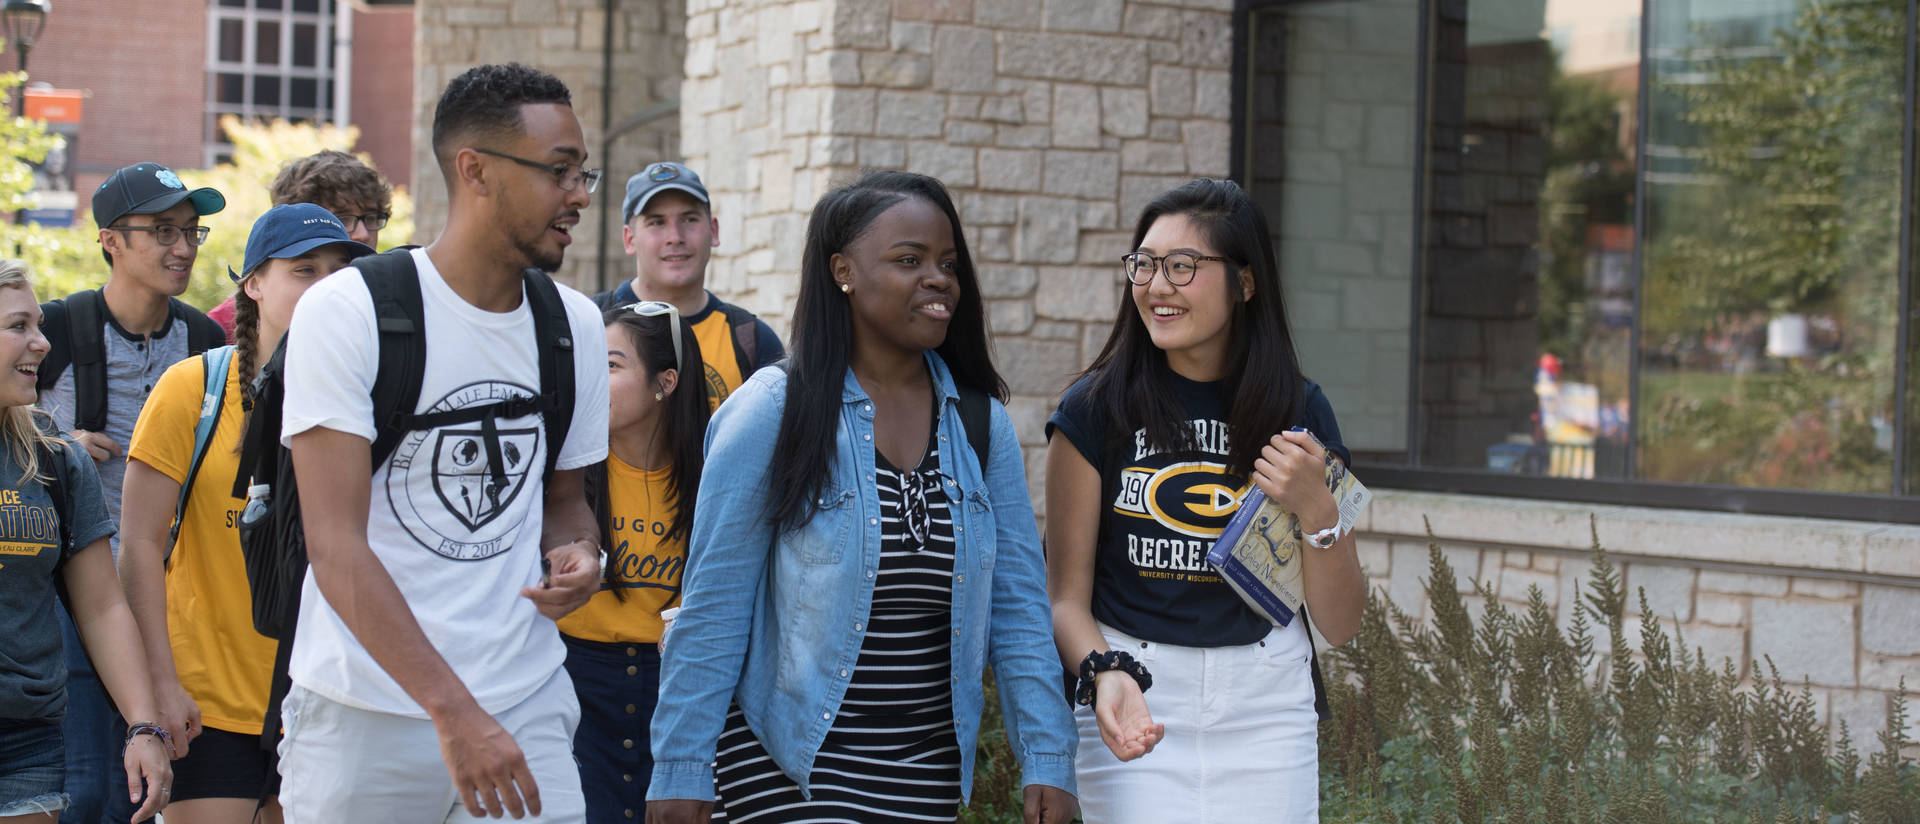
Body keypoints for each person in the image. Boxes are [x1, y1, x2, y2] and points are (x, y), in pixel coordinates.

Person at [647, 171, 1078, 824]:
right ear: (843, 271)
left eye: (947, 264)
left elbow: (1018, 606)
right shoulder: (773, 412)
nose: (939, 279)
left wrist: (1048, 755)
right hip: (787, 764)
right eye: (909, 260)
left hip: (922, 775)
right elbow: (713, 608)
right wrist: (679, 769)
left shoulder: (979, 426)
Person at [273, 63, 610, 823]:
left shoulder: (575, 327)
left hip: (524, 701)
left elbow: (565, 502)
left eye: (583, 173)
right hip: (365, 717)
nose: (580, 195)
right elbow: (335, 545)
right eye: (560, 172)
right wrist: (453, 713)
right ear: (476, 170)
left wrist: (582, 556)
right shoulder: (348, 312)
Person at [1044, 178, 1367, 823]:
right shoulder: (1094, 409)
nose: (1156, 285)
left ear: (1245, 283)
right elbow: (1064, 601)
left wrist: (1320, 512)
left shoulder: (1299, 411)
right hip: (1134, 692)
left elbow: (1341, 622)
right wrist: (1105, 671)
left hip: (1267, 702)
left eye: (1183, 266)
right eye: (1145, 263)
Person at [116, 205, 373, 824]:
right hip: (209, 707)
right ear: (253, 284)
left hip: (331, 702)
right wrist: (159, 686)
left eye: (339, 272)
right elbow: (138, 544)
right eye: (304, 270)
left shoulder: (370, 396)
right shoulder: (193, 390)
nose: (325, 286)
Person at [41, 162, 228, 824]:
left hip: (171, 595)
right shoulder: (54, 332)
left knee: (146, 792)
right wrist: (57, 443)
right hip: (73, 589)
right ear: (110, 241)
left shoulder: (207, 342)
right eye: (162, 232)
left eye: (191, 232)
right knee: (84, 787)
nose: (182, 249)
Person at [0, 259, 172, 824]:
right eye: (19, 326)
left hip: (27, 738)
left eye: (39, 325)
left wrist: (143, 725)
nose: (42, 343)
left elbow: (101, 606)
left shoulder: (52, 457)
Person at [555, 302, 709, 822]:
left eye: (612, 366)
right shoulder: (567, 469)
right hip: (575, 693)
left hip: (676, 696)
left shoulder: (713, 476)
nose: (592, 382)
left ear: (664, 382)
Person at [593, 162, 783, 409]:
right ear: (629, 239)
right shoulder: (591, 324)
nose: (675, 237)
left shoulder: (753, 341)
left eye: (689, 219)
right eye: (657, 222)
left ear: (713, 231)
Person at [204, 150, 395, 337]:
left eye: (371, 217)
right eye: (342, 219)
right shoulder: (218, 330)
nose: (363, 234)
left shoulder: (394, 311)